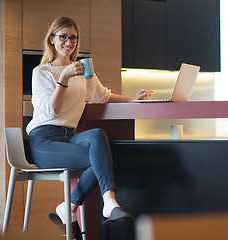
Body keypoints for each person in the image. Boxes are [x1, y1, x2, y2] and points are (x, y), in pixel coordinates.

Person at [26, 16, 152, 239]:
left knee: (96, 136)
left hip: (68, 136)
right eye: (63, 36)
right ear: (52, 40)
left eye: (73, 37)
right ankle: (106, 203)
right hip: (44, 141)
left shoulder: (83, 70)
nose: (69, 42)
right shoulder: (42, 73)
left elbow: (102, 96)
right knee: (100, 158)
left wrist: (134, 99)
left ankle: (82, 206)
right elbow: (52, 110)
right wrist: (63, 77)